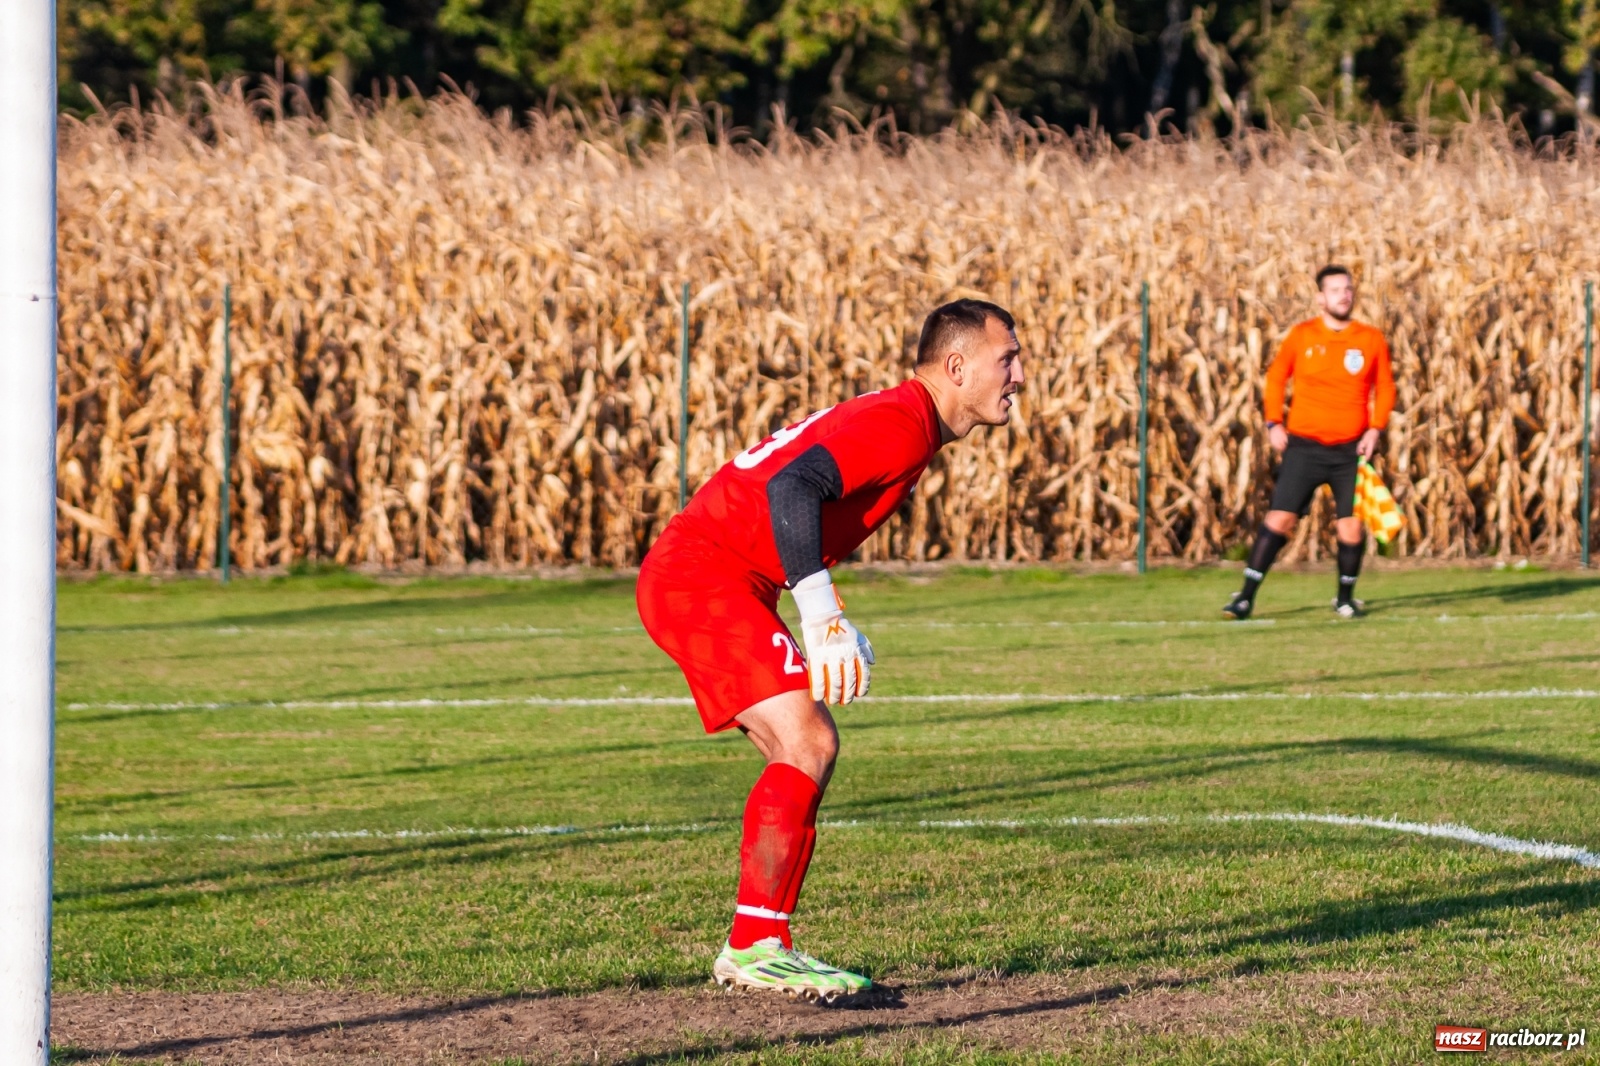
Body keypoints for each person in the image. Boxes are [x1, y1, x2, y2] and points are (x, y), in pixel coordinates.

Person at [636, 299, 1024, 1001]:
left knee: (803, 751)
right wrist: (820, 613)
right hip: (701, 577)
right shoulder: (901, 425)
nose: (1019, 376)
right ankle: (756, 946)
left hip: (715, 577)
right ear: (957, 366)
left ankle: (761, 940)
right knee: (809, 743)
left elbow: (790, 493)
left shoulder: (906, 420)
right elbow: (793, 486)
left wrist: (827, 614)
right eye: (1009, 359)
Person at [1224, 265, 1395, 620]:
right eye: (1335, 290)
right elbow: (1275, 379)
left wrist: (1375, 428)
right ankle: (1245, 597)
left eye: (1347, 289)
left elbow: (1386, 387)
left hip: (1351, 451)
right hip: (1304, 447)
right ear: (1321, 298)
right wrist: (1274, 422)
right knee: (1280, 519)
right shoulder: (1302, 336)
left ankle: (1345, 599)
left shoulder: (1370, 338)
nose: (1343, 295)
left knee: (1350, 525)